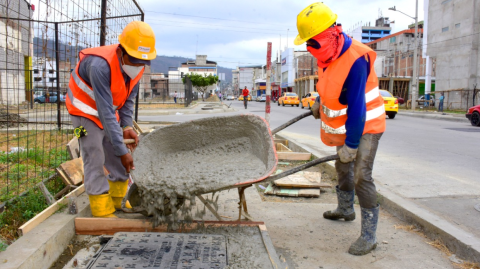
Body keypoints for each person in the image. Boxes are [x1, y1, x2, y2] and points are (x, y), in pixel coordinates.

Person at [295, 3, 386, 256]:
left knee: (361, 175)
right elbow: (330, 85)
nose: (309, 48)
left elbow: (357, 104)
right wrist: (318, 102)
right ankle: (345, 209)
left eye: (312, 42)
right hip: (348, 123)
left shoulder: (357, 58)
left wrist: (353, 145)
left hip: (366, 123)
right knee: (341, 167)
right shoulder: (325, 53)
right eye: (308, 44)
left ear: (329, 33)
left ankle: (369, 236)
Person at [65, 21, 156, 218]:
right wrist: (123, 150)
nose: (138, 65)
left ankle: (117, 198)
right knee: (94, 151)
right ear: (122, 51)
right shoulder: (100, 66)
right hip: (83, 110)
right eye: (134, 59)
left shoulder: (137, 68)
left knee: (115, 150)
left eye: (142, 61)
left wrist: (125, 126)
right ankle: (99, 204)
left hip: (106, 109)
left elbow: (128, 101)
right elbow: (105, 112)